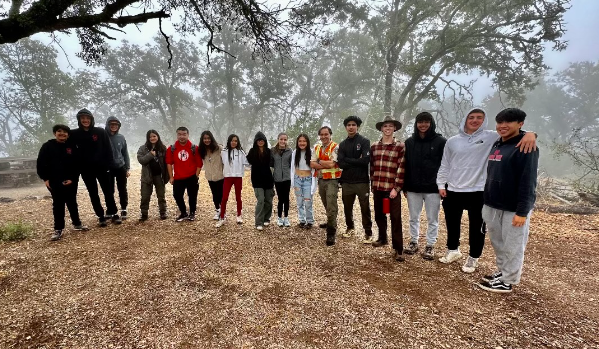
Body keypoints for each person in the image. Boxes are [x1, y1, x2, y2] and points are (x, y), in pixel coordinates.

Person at [437, 108, 537, 273]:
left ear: (484, 120)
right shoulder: (452, 141)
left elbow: (513, 132)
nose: (475, 120)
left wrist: (531, 134)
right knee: (452, 223)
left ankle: (473, 257)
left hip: (479, 190)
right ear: (465, 119)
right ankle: (453, 250)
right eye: (471, 117)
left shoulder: (493, 137)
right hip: (453, 189)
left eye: (479, 118)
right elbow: (445, 164)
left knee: (477, 227)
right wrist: (441, 184)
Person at [478, 108, 539, 293]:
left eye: (508, 122)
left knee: (513, 245)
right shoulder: (498, 143)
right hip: (492, 203)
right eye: (500, 122)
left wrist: (522, 211)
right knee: (498, 242)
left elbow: (528, 181)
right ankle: (502, 271)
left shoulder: (526, 147)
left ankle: (508, 280)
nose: (503, 126)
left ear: (520, 124)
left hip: (513, 207)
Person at [402, 112, 446, 260]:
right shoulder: (409, 142)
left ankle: (430, 245)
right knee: (413, 217)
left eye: (426, 122)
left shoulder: (440, 141)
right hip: (413, 187)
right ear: (416, 124)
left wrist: (442, 185)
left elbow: (445, 165)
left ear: (431, 123)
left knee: (432, 218)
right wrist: (405, 186)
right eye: (420, 122)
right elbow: (405, 165)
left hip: (433, 188)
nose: (423, 125)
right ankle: (413, 242)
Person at [37, 124, 89, 241]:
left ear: (68, 135)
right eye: (59, 131)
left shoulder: (72, 147)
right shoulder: (47, 146)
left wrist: (73, 178)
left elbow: (77, 164)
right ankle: (58, 229)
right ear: (55, 133)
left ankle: (77, 223)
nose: (62, 134)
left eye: (65, 132)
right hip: (54, 181)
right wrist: (45, 179)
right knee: (58, 204)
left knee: (72, 202)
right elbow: (40, 164)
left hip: (71, 180)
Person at [69, 108, 118, 227]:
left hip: (102, 168)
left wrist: (109, 165)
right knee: (93, 193)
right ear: (79, 120)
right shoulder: (74, 134)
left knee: (108, 191)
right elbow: (70, 151)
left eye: (87, 118)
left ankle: (113, 213)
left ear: (91, 119)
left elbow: (108, 149)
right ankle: (100, 216)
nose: (85, 120)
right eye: (83, 118)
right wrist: (77, 168)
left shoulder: (100, 132)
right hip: (86, 170)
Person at [370, 116, 406, 261]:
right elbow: (372, 167)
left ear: (394, 128)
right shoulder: (374, 146)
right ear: (381, 129)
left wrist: (396, 188)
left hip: (391, 189)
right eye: (385, 126)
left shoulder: (400, 146)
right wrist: (372, 184)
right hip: (378, 187)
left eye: (390, 126)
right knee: (380, 215)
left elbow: (401, 168)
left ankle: (398, 249)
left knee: (395, 218)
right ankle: (382, 238)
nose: (388, 129)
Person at [337, 115, 373, 242]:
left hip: (362, 181)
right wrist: (356, 160)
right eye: (348, 125)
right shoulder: (342, 144)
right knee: (347, 207)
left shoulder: (364, 141)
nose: (351, 127)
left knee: (365, 207)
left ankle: (368, 232)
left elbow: (365, 160)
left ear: (357, 126)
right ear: (346, 127)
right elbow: (340, 163)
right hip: (346, 181)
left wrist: (348, 160)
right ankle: (350, 227)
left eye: (353, 125)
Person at [311, 126, 342, 246]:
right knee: (326, 203)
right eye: (321, 134)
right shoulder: (317, 147)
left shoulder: (335, 147)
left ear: (330, 134)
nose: (324, 137)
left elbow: (332, 164)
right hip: (321, 179)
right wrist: (323, 163)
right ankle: (331, 220)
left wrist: (319, 161)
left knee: (331, 204)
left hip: (332, 180)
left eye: (326, 134)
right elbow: (311, 163)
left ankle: (331, 232)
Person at [165, 127, 203, 222]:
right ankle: (183, 212)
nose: (182, 136)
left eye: (184, 134)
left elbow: (199, 164)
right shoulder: (172, 148)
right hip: (178, 177)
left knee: (192, 196)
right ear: (177, 135)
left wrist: (196, 176)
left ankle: (192, 213)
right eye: (179, 134)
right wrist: (171, 176)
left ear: (188, 135)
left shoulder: (194, 148)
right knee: (177, 195)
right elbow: (169, 163)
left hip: (191, 176)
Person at [215, 134, 249, 228]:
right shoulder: (224, 152)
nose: (234, 142)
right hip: (228, 177)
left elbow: (247, 163)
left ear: (237, 142)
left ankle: (239, 215)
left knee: (238, 197)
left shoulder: (241, 152)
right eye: (232, 140)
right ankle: (222, 217)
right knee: (224, 197)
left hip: (238, 177)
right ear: (229, 141)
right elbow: (221, 163)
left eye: (235, 141)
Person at [137, 130, 168, 221]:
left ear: (157, 137)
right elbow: (141, 160)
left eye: (154, 136)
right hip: (147, 176)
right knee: (145, 196)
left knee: (161, 196)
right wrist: (150, 154)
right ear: (148, 138)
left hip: (159, 176)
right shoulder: (143, 148)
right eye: (150, 137)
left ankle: (163, 212)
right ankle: (144, 214)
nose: (152, 138)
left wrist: (167, 176)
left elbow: (167, 163)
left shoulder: (163, 148)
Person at [247, 132, 275, 231]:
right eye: (258, 140)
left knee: (269, 201)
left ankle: (266, 218)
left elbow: (272, 163)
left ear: (265, 141)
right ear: (255, 141)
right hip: (257, 179)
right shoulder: (252, 151)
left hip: (268, 179)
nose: (260, 142)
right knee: (260, 201)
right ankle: (258, 222)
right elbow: (248, 161)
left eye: (262, 140)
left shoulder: (269, 151)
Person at [105, 116, 130, 220]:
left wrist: (127, 168)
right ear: (108, 125)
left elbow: (125, 153)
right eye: (112, 124)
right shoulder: (103, 136)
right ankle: (110, 209)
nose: (114, 126)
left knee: (122, 189)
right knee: (109, 190)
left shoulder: (121, 137)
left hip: (120, 166)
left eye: (116, 124)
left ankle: (124, 208)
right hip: (108, 168)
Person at [291, 133, 317, 229]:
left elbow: (314, 169)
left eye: (304, 141)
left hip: (308, 179)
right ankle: (302, 220)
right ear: (297, 142)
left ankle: (310, 221)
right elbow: (292, 167)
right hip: (297, 178)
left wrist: (314, 184)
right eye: (300, 141)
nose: (302, 143)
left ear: (307, 142)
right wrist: (293, 181)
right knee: (299, 201)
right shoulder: (295, 153)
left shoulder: (311, 152)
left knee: (308, 201)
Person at [199, 130, 225, 220]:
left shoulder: (219, 148)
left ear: (212, 138)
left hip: (220, 175)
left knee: (221, 194)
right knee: (214, 194)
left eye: (208, 138)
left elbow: (225, 161)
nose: (207, 140)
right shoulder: (202, 150)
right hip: (210, 176)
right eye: (205, 138)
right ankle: (217, 210)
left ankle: (223, 212)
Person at [271, 132, 292, 227]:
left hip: (287, 178)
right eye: (281, 139)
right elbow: (270, 164)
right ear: (278, 139)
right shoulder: (273, 151)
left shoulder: (290, 151)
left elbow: (292, 164)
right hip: (277, 178)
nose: (283, 141)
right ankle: (279, 217)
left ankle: (286, 217)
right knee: (280, 198)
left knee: (286, 198)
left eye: (285, 139)